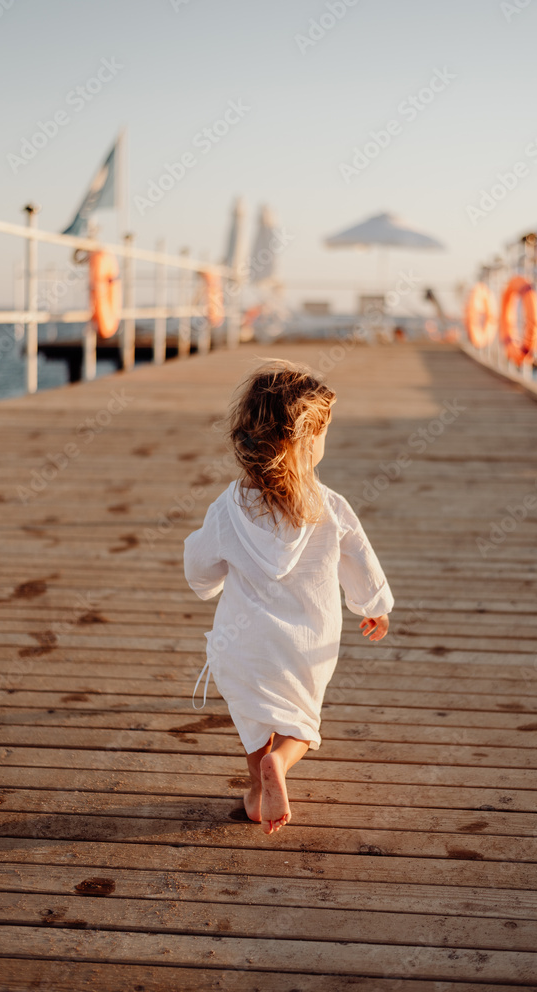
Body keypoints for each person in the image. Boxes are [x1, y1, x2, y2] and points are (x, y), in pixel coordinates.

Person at [183, 358, 394, 835]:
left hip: (244, 645)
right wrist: (373, 606)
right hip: (304, 643)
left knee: (253, 715)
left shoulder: (229, 508)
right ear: (304, 441)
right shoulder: (330, 507)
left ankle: (258, 790)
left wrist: (208, 583)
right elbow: (360, 560)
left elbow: (199, 565)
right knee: (299, 719)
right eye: (321, 433)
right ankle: (280, 760)